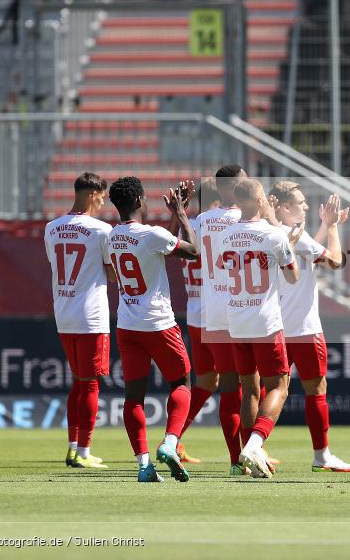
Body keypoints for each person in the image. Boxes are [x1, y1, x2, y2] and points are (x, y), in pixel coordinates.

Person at [107, 176, 199, 482]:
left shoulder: (111, 237)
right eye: (145, 199)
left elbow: (160, 248)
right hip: (158, 323)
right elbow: (192, 251)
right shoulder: (151, 235)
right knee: (182, 383)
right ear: (138, 202)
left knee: (133, 398)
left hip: (127, 324)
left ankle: (143, 466)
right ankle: (170, 443)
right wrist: (183, 215)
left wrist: (172, 219)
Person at [270, 181, 350, 472]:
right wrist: (332, 227)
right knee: (315, 389)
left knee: (269, 390)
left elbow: (310, 253)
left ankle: (251, 448)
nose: (306, 206)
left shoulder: (276, 234)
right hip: (304, 329)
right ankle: (321, 455)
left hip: (274, 327)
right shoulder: (290, 234)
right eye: (300, 202)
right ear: (283, 207)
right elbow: (334, 260)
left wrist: (324, 224)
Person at [219, 179, 300, 478]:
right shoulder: (274, 235)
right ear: (260, 199)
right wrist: (288, 244)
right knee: (280, 384)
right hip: (265, 320)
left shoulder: (225, 236)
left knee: (249, 390)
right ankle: (255, 444)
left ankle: (247, 461)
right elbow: (292, 277)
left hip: (236, 319)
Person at [43, 172, 115, 469]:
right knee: (90, 384)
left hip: (64, 313)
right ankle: (84, 451)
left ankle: (73, 447)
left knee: (78, 382)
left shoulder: (51, 228)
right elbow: (112, 273)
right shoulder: (101, 230)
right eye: (101, 198)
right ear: (91, 195)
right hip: (91, 315)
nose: (102, 204)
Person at [194, 165, 252, 475]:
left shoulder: (203, 219)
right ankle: (252, 453)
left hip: (211, 311)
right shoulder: (242, 219)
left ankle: (235, 460)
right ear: (238, 184)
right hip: (241, 308)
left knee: (229, 387)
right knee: (252, 387)